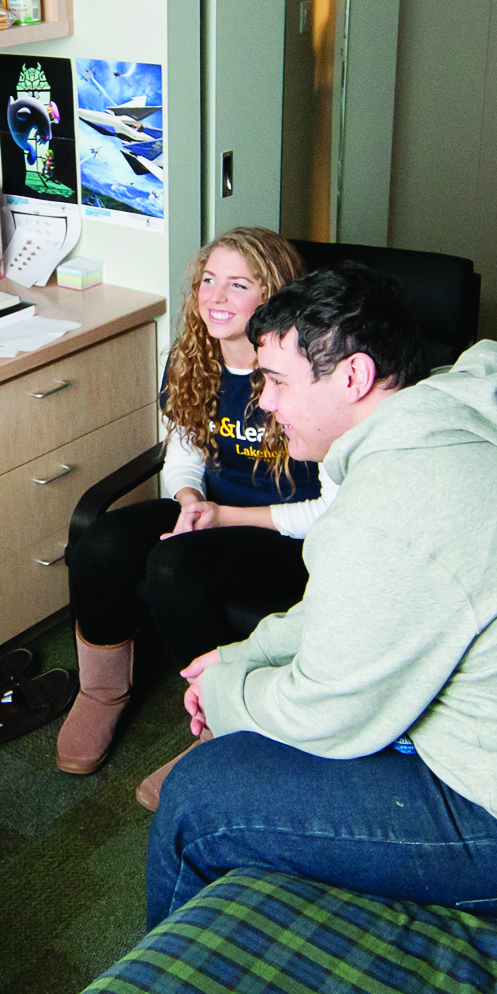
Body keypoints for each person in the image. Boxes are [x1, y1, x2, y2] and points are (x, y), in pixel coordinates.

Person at [146, 266, 497, 931]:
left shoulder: (390, 508)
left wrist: (223, 698)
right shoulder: (466, 417)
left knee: (197, 797)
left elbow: (326, 714)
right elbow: (375, 601)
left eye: (276, 382)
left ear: (353, 377)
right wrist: (247, 652)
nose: (265, 404)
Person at [56, 227, 330, 783]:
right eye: (208, 281)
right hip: (216, 511)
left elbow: (337, 509)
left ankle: (219, 725)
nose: (215, 297)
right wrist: (189, 499)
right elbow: (183, 454)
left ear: (272, 295)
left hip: (294, 537)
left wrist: (224, 518)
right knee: (100, 543)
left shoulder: (305, 367)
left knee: (173, 564)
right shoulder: (195, 356)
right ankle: (102, 690)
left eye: (238, 284)